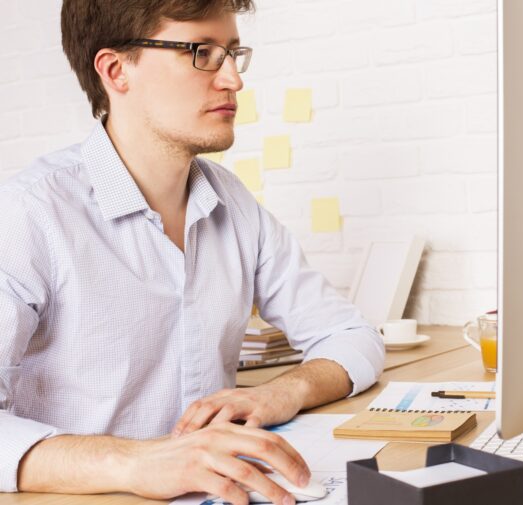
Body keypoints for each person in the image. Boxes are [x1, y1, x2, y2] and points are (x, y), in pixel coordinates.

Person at [0, 1, 384, 504]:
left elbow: (353, 337)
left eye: (233, 53)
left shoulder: (233, 204)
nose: (233, 80)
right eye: (201, 52)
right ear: (116, 70)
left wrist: (280, 393)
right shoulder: (29, 215)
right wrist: (135, 461)